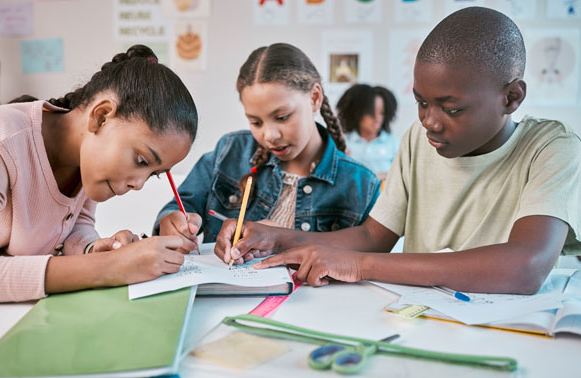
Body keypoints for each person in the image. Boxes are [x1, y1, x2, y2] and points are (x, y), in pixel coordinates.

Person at [213, 7, 581, 294]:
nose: (430, 122)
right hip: (417, 315)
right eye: (422, 103)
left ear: (511, 98)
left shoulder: (551, 148)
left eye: (451, 109)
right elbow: (373, 237)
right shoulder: (418, 140)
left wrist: (361, 266)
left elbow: (526, 266)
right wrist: (276, 236)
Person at [0, 45, 198, 302]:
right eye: (141, 159)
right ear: (101, 116)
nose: (138, 185)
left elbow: (75, 225)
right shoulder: (3, 140)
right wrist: (111, 267)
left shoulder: (86, 159)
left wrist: (94, 249)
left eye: (153, 174)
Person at [154, 43, 380, 248]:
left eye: (282, 117)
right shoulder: (229, 152)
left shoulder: (359, 184)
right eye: (256, 122)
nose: (269, 135)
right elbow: (180, 207)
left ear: (314, 98)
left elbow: (364, 260)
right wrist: (173, 221)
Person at [337, 84, 399, 180]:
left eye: (381, 113)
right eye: (371, 113)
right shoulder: (343, 142)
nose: (377, 118)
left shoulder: (393, 143)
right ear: (357, 113)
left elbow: (402, 175)